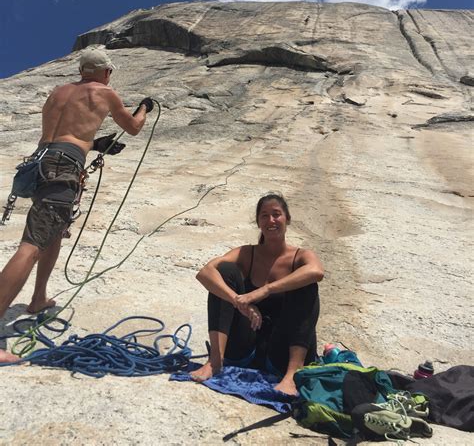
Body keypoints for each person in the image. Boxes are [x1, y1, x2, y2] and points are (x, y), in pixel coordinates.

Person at [0, 48, 153, 363]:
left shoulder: (58, 92)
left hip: (41, 161)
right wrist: (144, 107)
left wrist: (93, 143)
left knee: (53, 232)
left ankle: (39, 297)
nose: (110, 77)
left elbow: (62, 132)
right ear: (104, 72)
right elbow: (134, 126)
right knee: (31, 246)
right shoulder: (104, 92)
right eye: (109, 72)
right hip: (65, 167)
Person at [190, 193, 324, 396]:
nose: (271, 220)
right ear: (258, 222)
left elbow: (316, 271)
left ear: (287, 219)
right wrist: (238, 301)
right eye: (264, 216)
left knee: (306, 285)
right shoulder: (247, 253)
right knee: (225, 272)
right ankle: (215, 362)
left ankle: (291, 376)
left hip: (281, 351)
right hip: (246, 344)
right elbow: (206, 273)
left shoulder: (301, 255)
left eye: (276, 214)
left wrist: (265, 290)